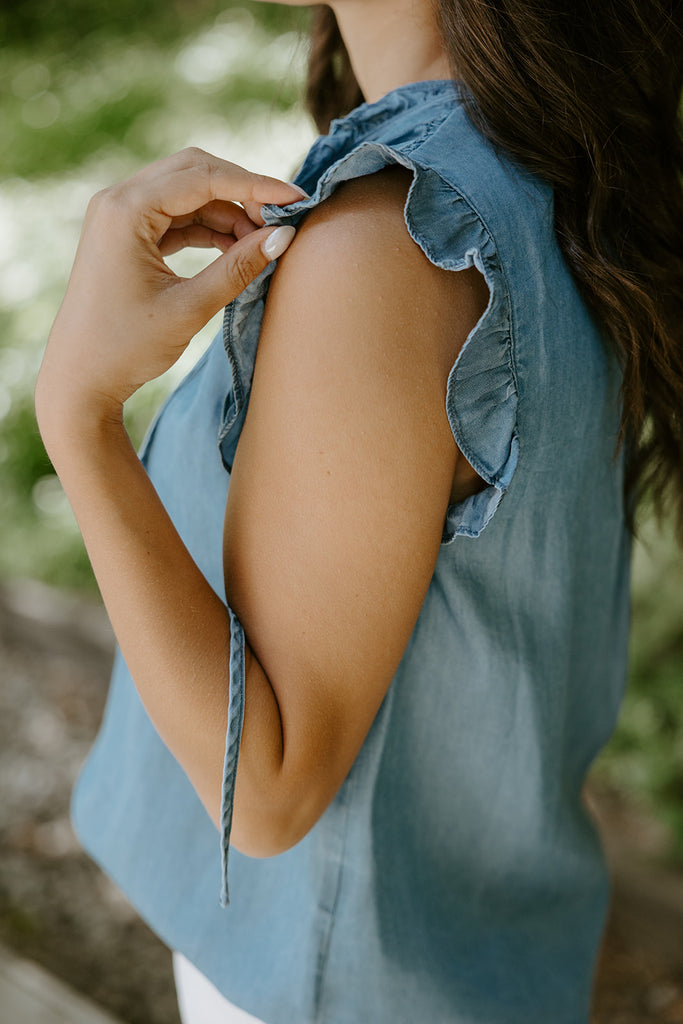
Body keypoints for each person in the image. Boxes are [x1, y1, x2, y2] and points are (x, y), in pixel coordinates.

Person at [35, 1, 683, 1022]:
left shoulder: (393, 239)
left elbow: (269, 787)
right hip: (474, 959)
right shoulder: (553, 157)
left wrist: (75, 415)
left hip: (323, 986)